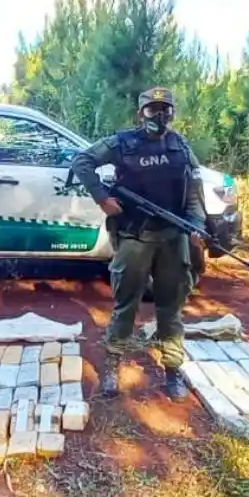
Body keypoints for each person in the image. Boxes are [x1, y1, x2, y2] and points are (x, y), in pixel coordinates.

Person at [69, 87, 207, 401]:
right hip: (134, 237)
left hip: (173, 239)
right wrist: (102, 198)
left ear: (172, 113)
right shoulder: (123, 144)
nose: (159, 116)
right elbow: (82, 161)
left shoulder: (180, 146)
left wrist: (197, 227)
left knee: (170, 308)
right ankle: (112, 369)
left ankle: (172, 371)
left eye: (165, 110)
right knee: (125, 307)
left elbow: (194, 194)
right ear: (139, 113)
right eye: (151, 110)